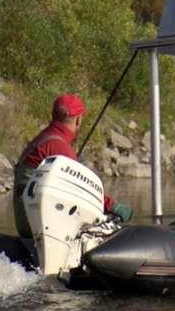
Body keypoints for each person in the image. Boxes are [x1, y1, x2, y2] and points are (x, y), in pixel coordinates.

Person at [13, 93, 133, 238]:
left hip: (26, 221)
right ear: (78, 120)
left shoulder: (43, 138)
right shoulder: (60, 147)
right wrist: (113, 206)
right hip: (39, 224)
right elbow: (81, 191)